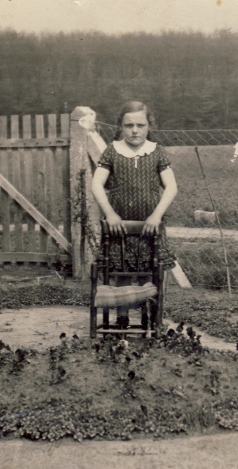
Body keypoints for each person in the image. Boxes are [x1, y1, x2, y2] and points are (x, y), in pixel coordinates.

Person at [91, 101, 178, 328]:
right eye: (129, 125)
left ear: (149, 125)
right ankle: (122, 318)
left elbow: (171, 186)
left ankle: (149, 318)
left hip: (149, 227)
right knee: (122, 273)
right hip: (120, 227)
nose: (135, 131)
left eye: (141, 125)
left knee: (150, 272)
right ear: (120, 126)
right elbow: (97, 184)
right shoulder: (112, 151)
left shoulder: (156, 151)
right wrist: (110, 214)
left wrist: (156, 216)